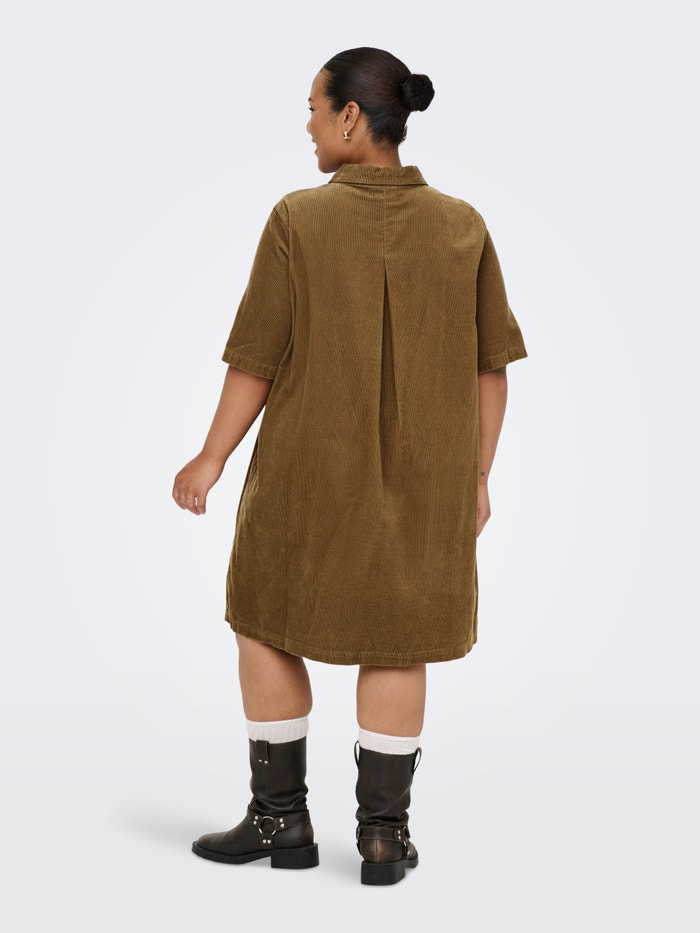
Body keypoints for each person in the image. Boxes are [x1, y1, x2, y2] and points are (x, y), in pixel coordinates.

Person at [172, 46, 527, 886]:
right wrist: (478, 477)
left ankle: (281, 819)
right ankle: (383, 838)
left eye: (312, 108)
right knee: (400, 641)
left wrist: (211, 456)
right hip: (429, 480)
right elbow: (492, 370)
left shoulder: (298, 219)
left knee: (264, 618)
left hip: (305, 474)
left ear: (351, 117)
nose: (306, 125)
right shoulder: (463, 225)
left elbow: (257, 358)